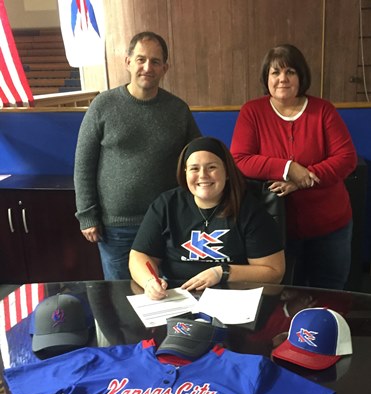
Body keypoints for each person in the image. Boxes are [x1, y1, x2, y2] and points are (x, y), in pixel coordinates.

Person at [74, 31, 201, 280]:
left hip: (166, 224)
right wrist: (86, 214)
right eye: (141, 59)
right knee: (123, 299)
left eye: (155, 61)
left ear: (165, 67)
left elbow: (197, 158)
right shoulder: (103, 105)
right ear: (128, 62)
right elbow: (83, 164)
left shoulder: (178, 110)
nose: (147, 67)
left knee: (168, 296)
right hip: (116, 227)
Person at [230, 44, 357, 290]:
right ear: (266, 78)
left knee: (330, 293)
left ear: (301, 76)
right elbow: (239, 160)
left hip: (329, 227)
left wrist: (302, 179)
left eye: (290, 72)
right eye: (275, 72)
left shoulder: (323, 110)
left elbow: (346, 158)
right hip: (273, 230)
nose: (282, 79)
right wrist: (288, 168)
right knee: (281, 297)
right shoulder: (252, 111)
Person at [129, 136, 285, 300]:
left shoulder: (250, 209)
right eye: (194, 169)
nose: (203, 175)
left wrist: (221, 272)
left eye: (211, 167)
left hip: (234, 299)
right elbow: (139, 255)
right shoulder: (166, 204)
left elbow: (273, 272)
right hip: (177, 297)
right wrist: (149, 282)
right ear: (185, 173)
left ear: (226, 172)